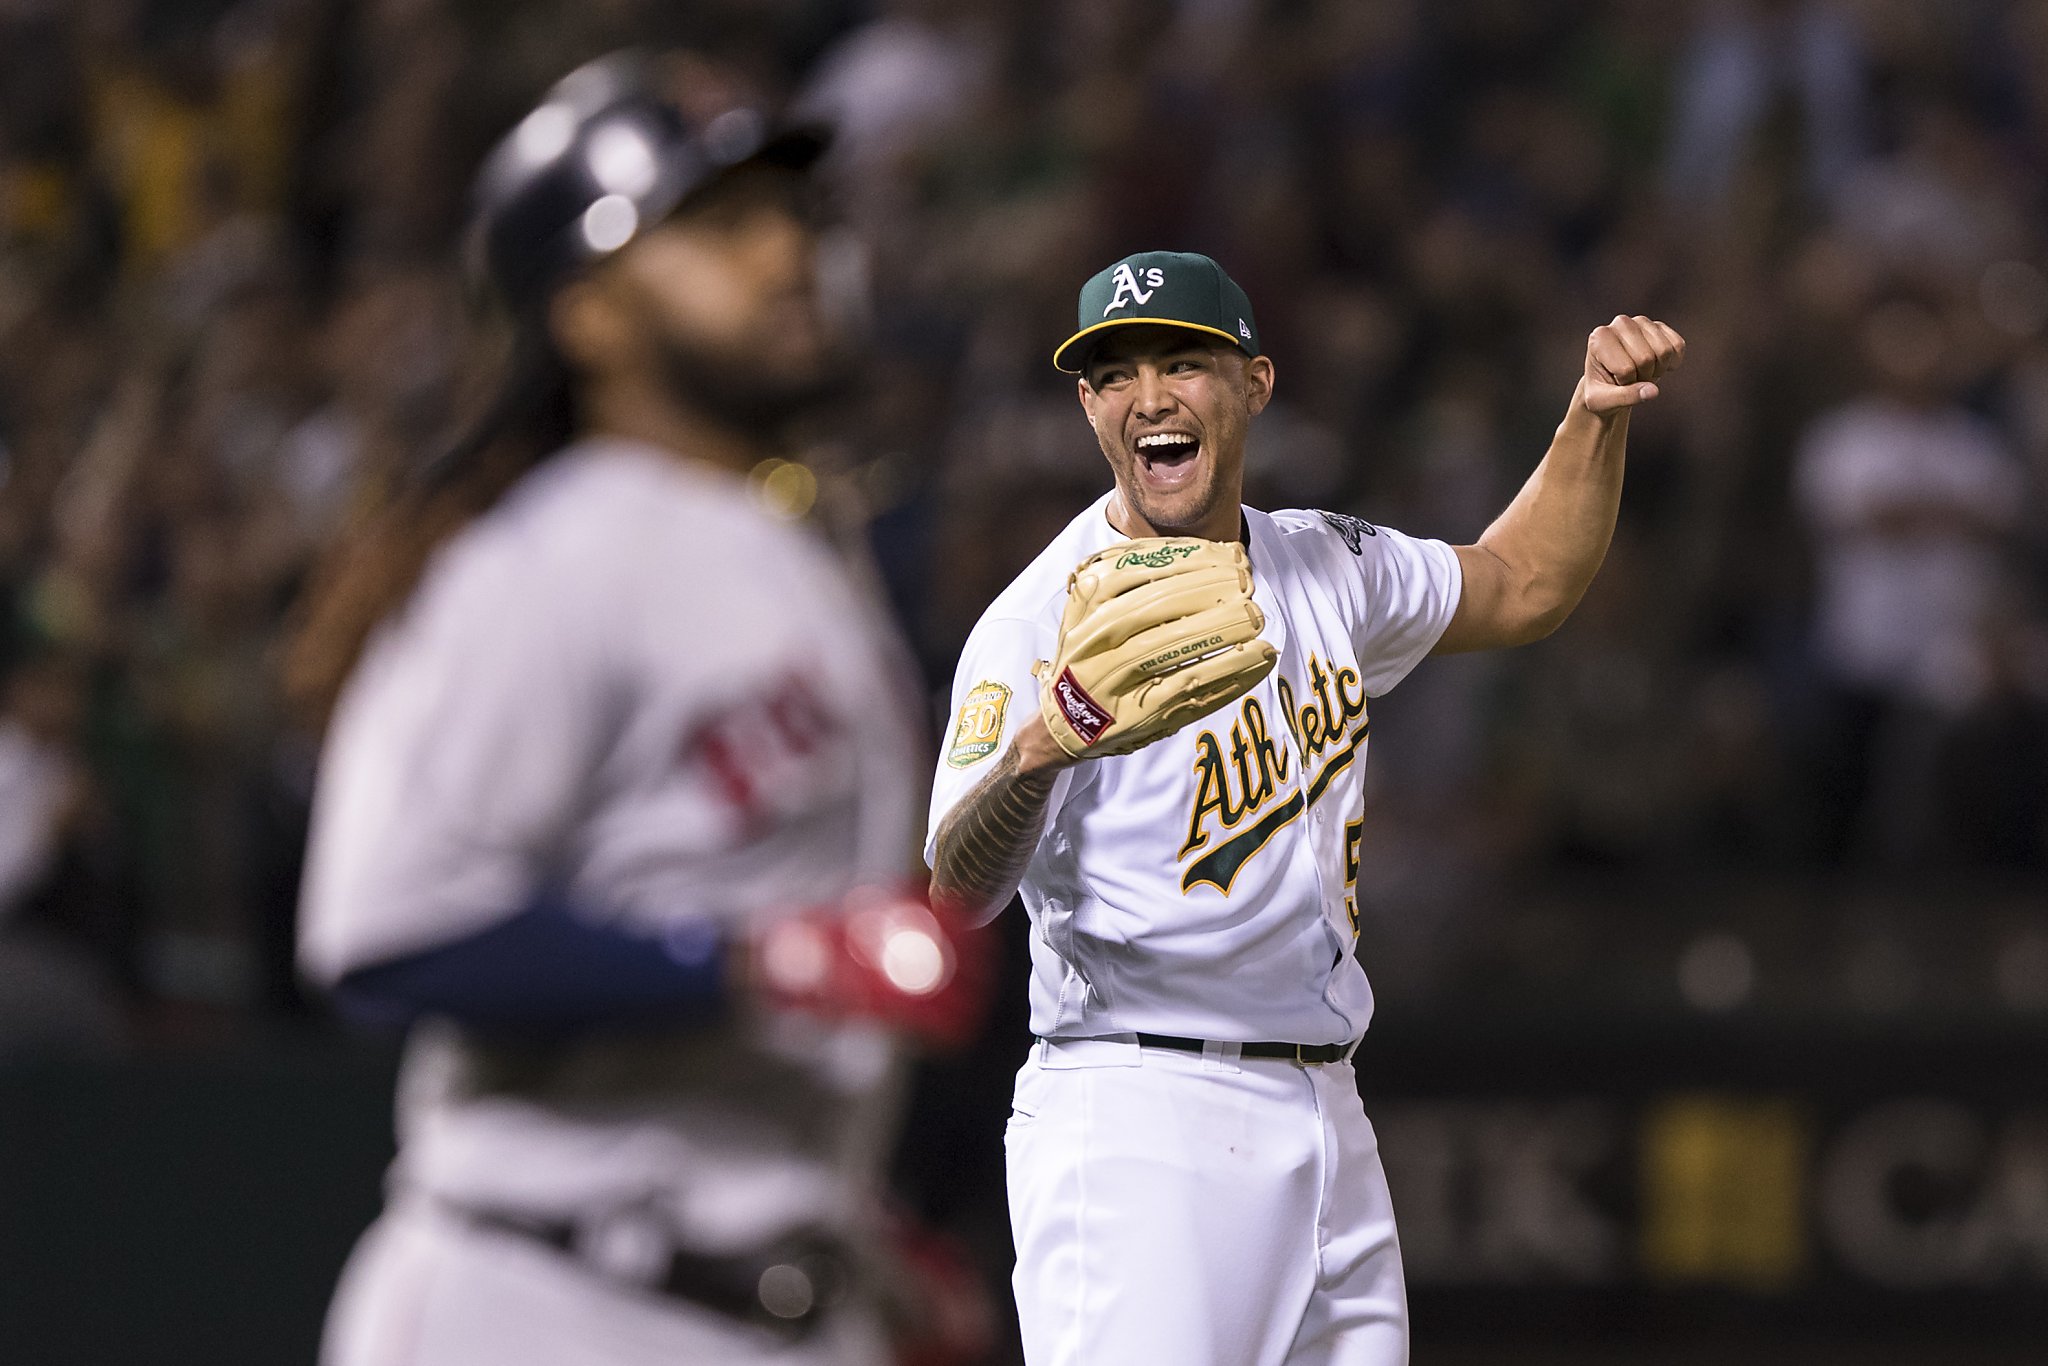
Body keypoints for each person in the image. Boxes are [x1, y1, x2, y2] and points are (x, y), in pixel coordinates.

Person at [290, 53, 985, 1366]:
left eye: (794, 217)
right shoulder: (546, 562)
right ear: (592, 315)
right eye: (720, 229)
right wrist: (752, 961)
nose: (788, 256)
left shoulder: (795, 549)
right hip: (538, 1298)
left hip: (753, 1305)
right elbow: (383, 928)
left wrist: (849, 1239)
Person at [926, 249, 1682, 1366]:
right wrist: (1041, 747)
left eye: (1182, 362)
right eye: (1115, 374)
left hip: (1326, 1106)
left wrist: (1591, 417)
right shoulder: (1036, 620)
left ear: (1253, 384)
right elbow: (955, 892)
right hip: (1139, 1109)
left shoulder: (1325, 565)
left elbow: (1521, 583)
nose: (1149, 398)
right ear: (1088, 406)